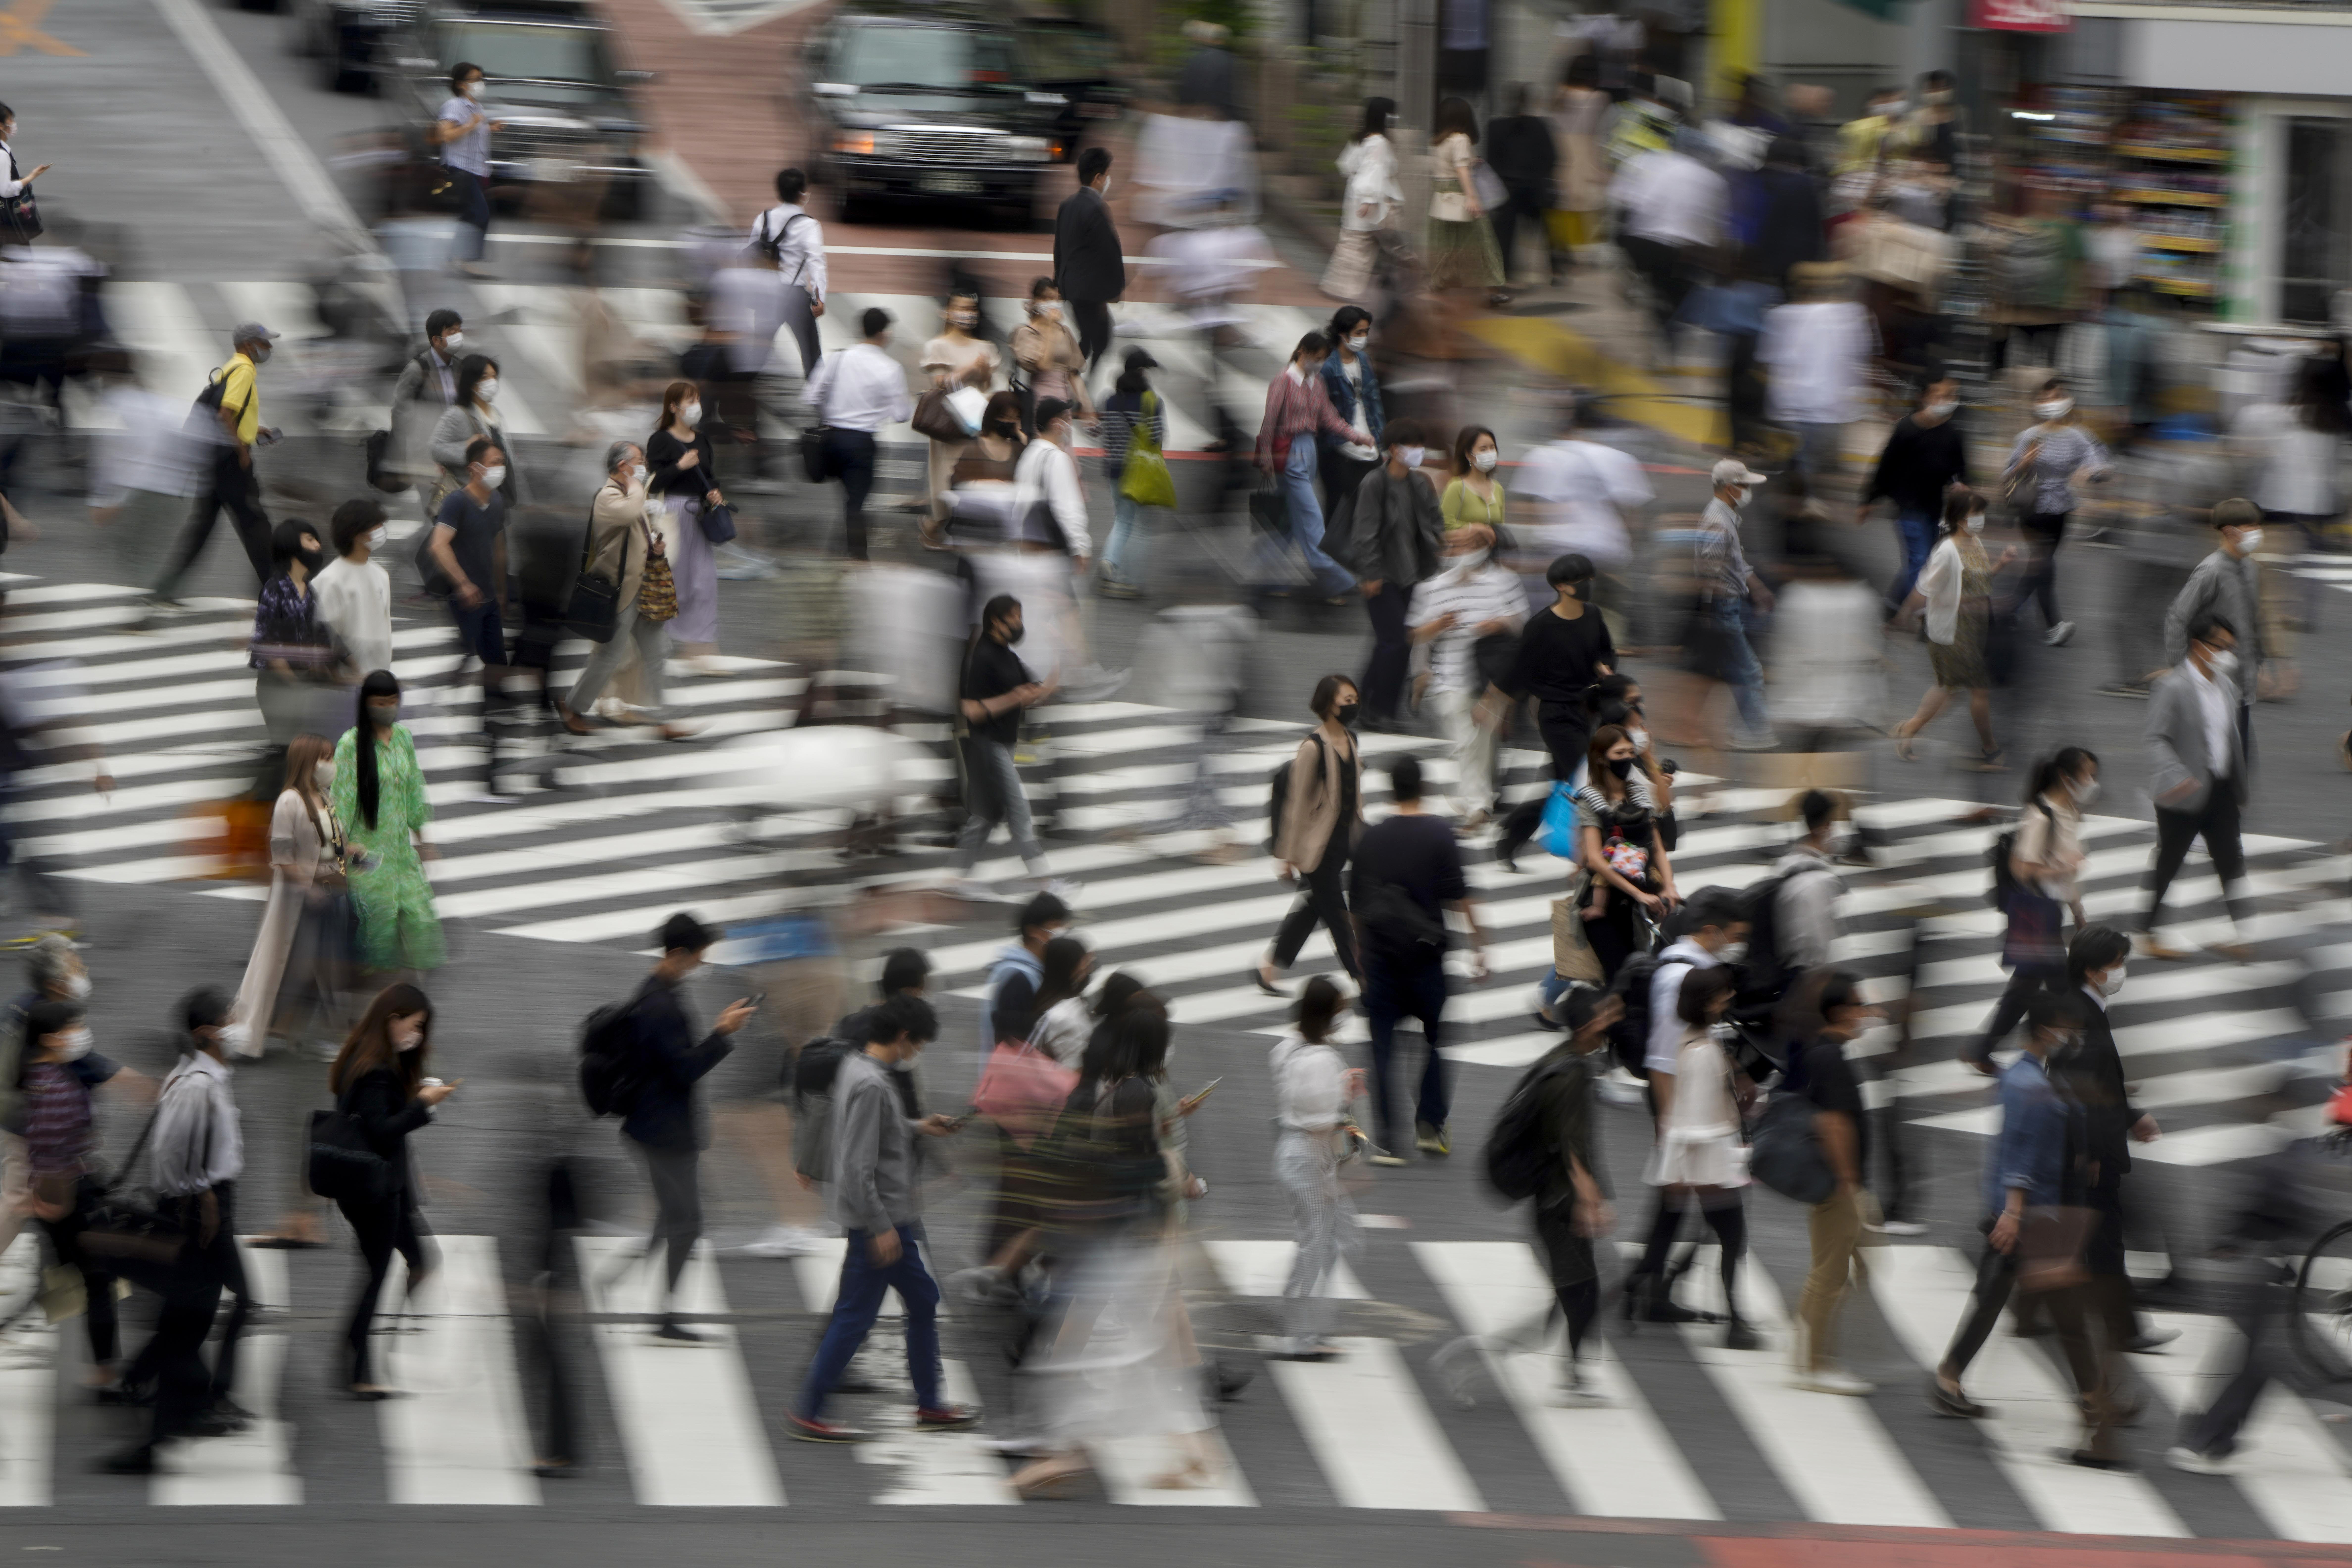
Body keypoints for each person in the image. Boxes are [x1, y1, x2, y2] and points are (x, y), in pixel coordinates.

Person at [1927, 990, 2121, 1468]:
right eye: (2064, 1029)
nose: (2069, 1038)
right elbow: (2019, 1156)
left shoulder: (2024, 1075)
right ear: (2045, 1029)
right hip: (2035, 1217)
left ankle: (1949, 1377)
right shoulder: (2028, 1085)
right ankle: (2096, 1411)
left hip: (2034, 1213)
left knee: (1997, 1294)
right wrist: (2012, 1215)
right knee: (2069, 1320)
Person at [789, 993, 972, 1441]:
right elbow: (856, 1166)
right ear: (904, 1037)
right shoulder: (872, 1083)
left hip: (884, 1219)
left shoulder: (858, 1065)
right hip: (883, 1221)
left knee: (918, 1302)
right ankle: (809, 1411)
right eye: (919, 1045)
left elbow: (872, 1133)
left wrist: (919, 1126)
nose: (917, 1054)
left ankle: (930, 1403)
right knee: (856, 1317)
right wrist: (881, 1228)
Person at [124, 988, 249, 1464]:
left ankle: (157, 1388)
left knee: (200, 1311)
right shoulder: (196, 1084)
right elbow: (169, 1154)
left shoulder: (211, 1076)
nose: (238, 1026)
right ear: (206, 1033)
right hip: (201, 1207)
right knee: (196, 1314)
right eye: (230, 1019)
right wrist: (203, 1193)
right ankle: (184, 1406)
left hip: (212, 1201)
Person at [616, 912, 755, 1342]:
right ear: (677, 954)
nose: (701, 966)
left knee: (673, 1214)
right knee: (688, 1221)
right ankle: (665, 1313)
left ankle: (619, 1279)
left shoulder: (656, 992)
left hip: (652, 1127)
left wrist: (717, 1030)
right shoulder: (661, 1005)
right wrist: (723, 1035)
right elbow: (682, 1070)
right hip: (664, 1133)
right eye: (698, 958)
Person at [1351, 756, 1486, 1161]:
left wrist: (1359, 955)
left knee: (1381, 1049)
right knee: (1434, 1041)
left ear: (1391, 789)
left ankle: (1387, 1140)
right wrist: (1480, 945)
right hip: (1426, 960)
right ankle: (1429, 1125)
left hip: (1381, 961)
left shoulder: (1370, 839)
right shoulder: (1439, 834)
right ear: (1422, 788)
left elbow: (1355, 906)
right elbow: (1460, 896)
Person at [1623, 885, 1747, 1320]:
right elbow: (1660, 1058)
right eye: (1730, 936)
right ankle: (1646, 1285)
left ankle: (1646, 1287)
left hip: (1691, 1111)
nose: (1733, 945)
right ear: (1710, 930)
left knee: (1674, 1205)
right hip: (1681, 1111)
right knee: (1702, 1208)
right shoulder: (1678, 978)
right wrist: (1667, 1128)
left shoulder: (1695, 969)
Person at [326, 984, 453, 1397]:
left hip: (372, 1186)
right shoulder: (377, 1070)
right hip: (376, 1191)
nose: (417, 1035)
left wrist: (413, 1095)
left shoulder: (360, 1055)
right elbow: (382, 1130)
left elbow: (370, 1117)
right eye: (415, 1026)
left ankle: (371, 1340)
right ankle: (359, 1365)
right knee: (379, 1272)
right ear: (393, 1020)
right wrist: (423, 1105)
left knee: (418, 1259)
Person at [2061, 923, 2172, 1364]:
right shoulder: (2080, 1016)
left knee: (2087, 1237)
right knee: (2104, 1241)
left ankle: (2026, 1307)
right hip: (2092, 1153)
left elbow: (2098, 1085)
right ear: (2092, 971)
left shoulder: (2089, 1007)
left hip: (2097, 1144)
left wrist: (2131, 1116)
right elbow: (2076, 1089)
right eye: (2116, 963)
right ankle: (2123, 1329)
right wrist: (2086, 1150)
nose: (2121, 971)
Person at [1633, 965, 1760, 1347]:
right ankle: (1736, 1323)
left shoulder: (1696, 1039)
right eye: (1723, 994)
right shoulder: (1703, 1051)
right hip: (1711, 1167)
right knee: (1732, 1240)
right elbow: (1692, 1119)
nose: (1729, 999)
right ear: (1708, 1002)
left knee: (1722, 1237)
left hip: (1705, 1165)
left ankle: (1652, 1288)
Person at [1964, 747, 2098, 1070]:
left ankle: (1982, 1051)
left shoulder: (2069, 812)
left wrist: (2078, 910)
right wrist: (2063, 870)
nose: (2092, 782)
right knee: (2065, 991)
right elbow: (2022, 869)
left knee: (2024, 989)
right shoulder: (2041, 816)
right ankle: (2088, 1066)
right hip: (2035, 915)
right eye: (2087, 775)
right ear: (2066, 778)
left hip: (2050, 914)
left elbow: (2064, 872)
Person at [18, 998, 123, 1396]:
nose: (79, 1034)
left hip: (61, 1190)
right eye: (71, 1028)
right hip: (69, 1195)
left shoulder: (41, 1075)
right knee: (97, 1280)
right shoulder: (57, 1087)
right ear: (49, 1039)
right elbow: (52, 1151)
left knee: (76, 1278)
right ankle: (105, 1372)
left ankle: (105, 1369)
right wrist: (56, 1202)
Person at [1494, 551, 1618, 870]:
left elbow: (1606, 651)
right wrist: (1494, 708)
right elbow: (1519, 671)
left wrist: (1605, 668)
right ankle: (1602, 853)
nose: (1589, 585)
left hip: (1585, 711)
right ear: (1562, 587)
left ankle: (1511, 837)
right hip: (1555, 714)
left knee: (1561, 782)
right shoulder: (1541, 626)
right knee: (1587, 778)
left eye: (1591, 579)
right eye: (1582, 581)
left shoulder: (1593, 615)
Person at [2140, 613, 2253, 962]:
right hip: (2182, 794)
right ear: (2198, 646)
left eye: (2232, 649)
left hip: (2220, 792)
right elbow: (2156, 739)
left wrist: (2239, 786)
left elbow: (2234, 741)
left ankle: (2241, 933)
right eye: (2221, 647)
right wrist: (2178, 775)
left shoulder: (2227, 687)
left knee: (2231, 861)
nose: (2227, 655)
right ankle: (2147, 930)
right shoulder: (2172, 687)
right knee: (2170, 862)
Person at [225, 735, 345, 1058]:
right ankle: (256, 1028)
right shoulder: (290, 801)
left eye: (331, 757)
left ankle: (291, 1029)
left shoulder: (326, 798)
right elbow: (281, 856)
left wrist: (351, 860)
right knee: (287, 964)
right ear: (307, 761)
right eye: (324, 758)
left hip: (325, 894)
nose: (330, 765)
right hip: (297, 899)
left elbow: (334, 848)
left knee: (315, 966)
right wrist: (308, 886)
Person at [1787, 970, 1877, 1395]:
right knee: (1830, 1272)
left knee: (1850, 1262)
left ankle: (1808, 1344)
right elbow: (1832, 1122)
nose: (1866, 1014)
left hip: (1836, 1182)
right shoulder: (1830, 1058)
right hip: (1836, 1184)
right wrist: (1848, 1181)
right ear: (1841, 1012)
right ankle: (1814, 1362)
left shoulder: (1823, 1052)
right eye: (1860, 1006)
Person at [560, 442, 684, 739]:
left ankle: (666, 720)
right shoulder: (608, 497)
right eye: (638, 462)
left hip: (641, 590)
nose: (644, 468)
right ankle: (573, 708)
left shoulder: (630, 496)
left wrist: (654, 548)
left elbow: (635, 535)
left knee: (657, 653)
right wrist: (637, 489)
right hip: (620, 593)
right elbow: (629, 515)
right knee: (608, 656)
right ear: (622, 467)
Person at [151, 323, 280, 606]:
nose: (269, 349)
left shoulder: (230, 367)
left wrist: (255, 429)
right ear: (249, 345)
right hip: (230, 462)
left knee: (202, 528)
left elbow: (226, 411)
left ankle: (164, 591)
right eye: (265, 343)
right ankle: (277, 592)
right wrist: (242, 451)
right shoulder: (245, 370)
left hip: (213, 461)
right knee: (256, 525)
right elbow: (225, 413)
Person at [947, 596, 1065, 899]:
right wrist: (1014, 698)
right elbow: (971, 710)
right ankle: (1043, 881)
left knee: (986, 816)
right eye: (1014, 617)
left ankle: (957, 880)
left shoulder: (1008, 657)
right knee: (1019, 810)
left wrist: (1059, 655)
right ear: (996, 621)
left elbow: (1036, 692)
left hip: (1005, 744)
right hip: (987, 744)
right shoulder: (982, 657)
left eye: (1020, 617)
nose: (1019, 623)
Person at [1270, 974, 1361, 1360]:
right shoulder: (1322, 1060)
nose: (1345, 1017)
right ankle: (1301, 1334)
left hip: (1294, 1151)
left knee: (1338, 1235)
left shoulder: (1287, 1049)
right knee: (1318, 1242)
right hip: (1311, 1157)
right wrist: (1333, 1177)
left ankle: (1312, 1326)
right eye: (1340, 1010)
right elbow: (1321, 1127)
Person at [1408, 523, 1523, 827]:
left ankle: (1477, 801)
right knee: (1466, 742)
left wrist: (1499, 625)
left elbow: (1522, 628)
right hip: (1449, 679)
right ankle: (1479, 805)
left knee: (1481, 743)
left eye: (1467, 544)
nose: (1458, 552)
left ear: (1484, 548)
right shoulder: (1432, 588)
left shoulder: (1502, 583)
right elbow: (1417, 636)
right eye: (1453, 545)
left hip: (1489, 681)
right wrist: (1438, 629)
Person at [331, 672, 444, 977]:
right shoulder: (351, 745)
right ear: (367, 705)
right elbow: (340, 803)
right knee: (377, 937)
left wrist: (425, 842)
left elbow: (414, 792)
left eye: (393, 702)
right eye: (381, 703)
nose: (388, 708)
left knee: (422, 921)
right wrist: (341, 852)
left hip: (401, 855)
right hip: (368, 858)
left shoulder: (403, 738)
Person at [1259, 674, 1364, 992]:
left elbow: (1354, 796)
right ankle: (1364, 980)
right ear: (1329, 704)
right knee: (1336, 915)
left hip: (1347, 837)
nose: (1354, 706)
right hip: (1317, 846)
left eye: (1355, 700)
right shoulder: (1312, 748)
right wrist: (1287, 856)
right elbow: (1296, 806)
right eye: (1347, 701)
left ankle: (1269, 968)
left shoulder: (1353, 740)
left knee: (1313, 906)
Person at [1893, 489, 2012, 769]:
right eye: (1976, 514)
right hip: (1951, 631)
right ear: (1960, 519)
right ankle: (1990, 748)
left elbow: (1979, 580)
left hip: (1973, 629)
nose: (1981, 519)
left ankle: (1910, 728)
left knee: (1949, 689)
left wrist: (2002, 565)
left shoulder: (1975, 543)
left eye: (1982, 513)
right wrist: (1903, 617)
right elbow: (1925, 589)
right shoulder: (1947, 551)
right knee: (1977, 691)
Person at [1511, 398, 1653, 632]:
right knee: (1600, 631)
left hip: (1558, 555)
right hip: (1605, 557)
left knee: (1552, 629)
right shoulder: (1620, 458)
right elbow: (1634, 519)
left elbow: (1523, 511)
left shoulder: (1543, 455)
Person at [1257, 332, 1378, 602]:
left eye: (1323, 360)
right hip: (1290, 454)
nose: (1320, 364)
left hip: (1308, 451)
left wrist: (1358, 437)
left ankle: (1267, 577)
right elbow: (1269, 421)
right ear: (1302, 352)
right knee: (1311, 519)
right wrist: (1265, 456)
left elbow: (1330, 418)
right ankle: (1335, 581)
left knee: (1286, 521)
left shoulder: (1317, 382)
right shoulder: (1283, 381)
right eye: (1317, 358)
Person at [2234, 355, 2346, 637]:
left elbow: (2249, 446)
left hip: (2277, 498)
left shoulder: (2277, 415)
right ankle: (2303, 612)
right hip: (2318, 501)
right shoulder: (2336, 418)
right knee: (2310, 557)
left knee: (2266, 556)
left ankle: (2260, 608)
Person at [1345, 418, 1444, 731]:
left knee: (1388, 642)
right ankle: (1382, 710)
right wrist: (1371, 573)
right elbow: (1365, 533)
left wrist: (1445, 545)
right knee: (1397, 642)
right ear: (1394, 450)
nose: (1419, 451)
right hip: (1382, 577)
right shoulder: (1375, 483)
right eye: (1412, 446)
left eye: (1420, 444)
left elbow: (1434, 522)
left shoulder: (1419, 484)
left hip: (1413, 576)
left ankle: (1358, 702)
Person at [430, 435, 517, 788]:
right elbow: (439, 546)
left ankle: (490, 734)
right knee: (470, 657)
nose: (500, 469)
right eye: (494, 462)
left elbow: (499, 546)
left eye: (501, 462)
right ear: (475, 468)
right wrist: (463, 584)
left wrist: (501, 588)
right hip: (463, 599)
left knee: (496, 667)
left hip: (490, 601)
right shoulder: (457, 502)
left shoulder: (496, 501)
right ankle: (437, 703)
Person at [2002, 375, 2113, 648]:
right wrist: (2024, 465)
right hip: (2032, 506)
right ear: (2037, 404)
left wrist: (2092, 472)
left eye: (2057, 397)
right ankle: (2054, 626)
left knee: (2042, 564)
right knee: (2044, 564)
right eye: (2046, 399)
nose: (2052, 403)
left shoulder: (2077, 436)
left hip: (2062, 507)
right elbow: (2008, 474)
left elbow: (2099, 460)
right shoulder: (2029, 436)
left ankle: (2008, 610)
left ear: (2067, 400)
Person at [1758, 264, 1873, 504]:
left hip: (1789, 404)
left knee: (1799, 460)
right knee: (1811, 462)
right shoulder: (1853, 315)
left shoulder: (1780, 315)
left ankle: (1796, 496)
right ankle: (1803, 498)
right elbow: (1860, 360)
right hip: (1829, 407)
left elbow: (1767, 361)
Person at [1858, 370, 1969, 614]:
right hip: (1908, 507)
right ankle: (1918, 612)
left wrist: (1960, 484)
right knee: (1921, 560)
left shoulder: (1954, 435)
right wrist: (1869, 500)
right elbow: (1885, 465)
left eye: (1951, 395)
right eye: (1939, 395)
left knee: (1925, 560)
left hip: (1934, 508)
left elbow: (1960, 469)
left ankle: (1894, 604)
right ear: (1926, 397)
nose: (1945, 400)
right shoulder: (1907, 428)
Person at [804, 307, 910, 561]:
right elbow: (901, 414)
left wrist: (830, 411)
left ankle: (843, 551)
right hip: (862, 443)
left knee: (848, 499)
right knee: (856, 502)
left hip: (832, 439)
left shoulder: (837, 359)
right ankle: (858, 558)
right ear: (885, 334)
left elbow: (811, 396)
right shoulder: (890, 368)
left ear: (861, 329)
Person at [1572, 726, 1679, 978]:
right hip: (1606, 900)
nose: (1627, 758)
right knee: (1619, 977)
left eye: (1631, 752)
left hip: (1639, 895)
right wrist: (1638, 895)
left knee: (1639, 971)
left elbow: (1658, 848)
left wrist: (1669, 887)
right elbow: (1596, 860)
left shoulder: (1640, 795)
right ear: (1601, 758)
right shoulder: (1591, 799)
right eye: (1619, 753)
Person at [2162, 497, 2266, 753]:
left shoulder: (2251, 568)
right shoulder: (2211, 571)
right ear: (2231, 532)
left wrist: (2258, 658)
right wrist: (2181, 670)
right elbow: (2178, 616)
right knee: (2213, 760)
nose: (2258, 533)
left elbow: (2253, 618)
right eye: (2251, 527)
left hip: (2241, 682)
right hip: (2213, 680)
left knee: (2238, 761)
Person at [1690, 457, 1778, 750]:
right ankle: (1756, 732)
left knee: (1732, 670)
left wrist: (1759, 589)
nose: (1748, 491)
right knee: (1748, 670)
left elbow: (1736, 565)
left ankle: (1742, 729)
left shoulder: (1726, 516)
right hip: (1723, 607)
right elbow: (1709, 573)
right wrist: (1711, 614)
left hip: (1728, 605)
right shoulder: (1718, 522)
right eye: (1744, 485)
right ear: (1730, 489)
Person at [1614, 129, 1727, 354]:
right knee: (1679, 287)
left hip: (1638, 241)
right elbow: (1716, 226)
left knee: (1658, 276)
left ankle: (1637, 277)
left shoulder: (1646, 161)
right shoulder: (1713, 180)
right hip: (1682, 249)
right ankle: (1668, 328)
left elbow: (1623, 200)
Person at [248, 517, 337, 802]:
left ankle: (283, 801)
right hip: (278, 684)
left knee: (297, 751)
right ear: (292, 545)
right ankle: (268, 798)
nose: (317, 545)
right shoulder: (275, 589)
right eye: (310, 539)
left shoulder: (310, 593)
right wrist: (293, 682)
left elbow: (320, 638)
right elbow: (266, 642)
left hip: (301, 682)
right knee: (289, 749)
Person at [646, 380, 726, 675]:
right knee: (676, 583)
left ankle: (702, 650)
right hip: (673, 514)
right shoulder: (661, 440)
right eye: (689, 401)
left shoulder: (702, 440)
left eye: (697, 400)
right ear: (673, 407)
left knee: (704, 582)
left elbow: (710, 475)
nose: (696, 406)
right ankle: (667, 645)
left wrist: (715, 492)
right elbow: (652, 483)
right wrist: (679, 466)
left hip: (699, 513)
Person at [920, 290, 1001, 535]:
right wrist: (970, 370)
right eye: (962, 309)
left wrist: (984, 372)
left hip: (976, 420)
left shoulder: (985, 347)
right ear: (949, 312)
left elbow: (987, 386)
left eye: (971, 310)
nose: (967, 315)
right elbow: (940, 384)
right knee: (946, 475)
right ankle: (935, 524)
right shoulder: (938, 346)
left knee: (973, 473)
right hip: (949, 420)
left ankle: (960, 525)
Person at [1096, 349, 1164, 597]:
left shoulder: (1110, 400)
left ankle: (1110, 560)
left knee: (1123, 520)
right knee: (1142, 529)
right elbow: (1157, 439)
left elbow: (1102, 433)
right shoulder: (1152, 402)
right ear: (1143, 373)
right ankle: (1130, 579)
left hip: (1115, 469)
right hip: (1141, 471)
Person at [746, 167, 825, 376]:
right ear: (802, 194)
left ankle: (741, 394)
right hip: (795, 295)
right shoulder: (809, 225)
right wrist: (820, 298)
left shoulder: (763, 218)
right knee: (812, 355)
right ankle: (820, 401)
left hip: (766, 293)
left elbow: (751, 254)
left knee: (759, 351)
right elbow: (817, 263)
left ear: (778, 192)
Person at [1426, 97, 1506, 298]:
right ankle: (1492, 291)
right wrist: (1472, 197)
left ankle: (1440, 286)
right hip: (1460, 193)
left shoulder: (1437, 141)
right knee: (1482, 243)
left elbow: (1444, 169)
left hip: (1442, 198)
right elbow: (1461, 171)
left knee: (1447, 244)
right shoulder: (1461, 139)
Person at [1053, 146, 1124, 370]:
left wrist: (1059, 284)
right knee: (1100, 341)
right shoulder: (1097, 209)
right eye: (1107, 175)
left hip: (1071, 287)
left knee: (1089, 338)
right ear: (1099, 178)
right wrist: (1113, 292)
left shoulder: (1067, 205)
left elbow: (1059, 249)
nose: (1108, 181)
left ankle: (1074, 384)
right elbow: (1109, 254)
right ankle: (1076, 386)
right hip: (1091, 292)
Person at [1323, 98, 1401, 300]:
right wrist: (1368, 199)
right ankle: (1351, 290)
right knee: (1365, 247)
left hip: (1354, 197)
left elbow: (1346, 166)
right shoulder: (1380, 144)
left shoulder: (1360, 139)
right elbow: (1374, 172)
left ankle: (1337, 286)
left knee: (1351, 243)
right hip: (1373, 202)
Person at [980, 890, 1074, 1056]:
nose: (1063, 934)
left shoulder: (1035, 971)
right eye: (1056, 926)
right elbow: (1013, 1042)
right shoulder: (1018, 979)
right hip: (1017, 1078)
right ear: (1034, 931)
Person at [312, 498, 393, 681]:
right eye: (377, 525)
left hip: (379, 678)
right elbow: (322, 637)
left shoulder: (381, 575)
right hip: (345, 683)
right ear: (358, 534)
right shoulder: (329, 581)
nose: (383, 530)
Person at [427, 353, 515, 519]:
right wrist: (468, 448)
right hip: (469, 499)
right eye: (485, 377)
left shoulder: (495, 414)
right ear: (471, 382)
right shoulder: (458, 414)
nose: (492, 382)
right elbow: (435, 449)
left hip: (496, 496)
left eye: (494, 377)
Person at [1487, 84, 1559, 287]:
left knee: (1504, 232)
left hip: (1507, 188)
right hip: (1535, 187)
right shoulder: (1541, 126)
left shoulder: (1496, 126)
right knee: (1548, 230)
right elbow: (1552, 157)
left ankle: (1504, 272)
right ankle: (1555, 269)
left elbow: (1493, 159)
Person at [433, 62, 502, 275]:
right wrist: (471, 125)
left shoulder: (476, 108)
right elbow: (445, 135)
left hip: (476, 169)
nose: (480, 84)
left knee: (470, 214)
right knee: (480, 213)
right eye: (475, 80)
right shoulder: (454, 106)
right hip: (459, 169)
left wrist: (490, 127)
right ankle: (466, 260)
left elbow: (472, 135)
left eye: (482, 79)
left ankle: (458, 257)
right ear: (462, 84)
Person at [1769, 789, 1846, 975]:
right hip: (1804, 978)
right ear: (1825, 828)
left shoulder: (1784, 865)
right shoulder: (1817, 882)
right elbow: (1813, 944)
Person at [1546, 57, 1609, 278]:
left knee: (1561, 201)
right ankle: (1580, 253)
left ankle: (1560, 249)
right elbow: (1598, 133)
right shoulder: (1599, 98)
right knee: (1586, 203)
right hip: (1585, 149)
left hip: (1558, 148)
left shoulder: (1558, 95)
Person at [1010, 276, 1091, 439]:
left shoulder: (1065, 332)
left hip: (1063, 400)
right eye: (1048, 298)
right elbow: (1043, 365)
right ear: (1037, 301)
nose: (1054, 303)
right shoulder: (1026, 332)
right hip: (1041, 399)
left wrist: (1088, 407)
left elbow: (1074, 373)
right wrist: (1049, 329)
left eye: (1057, 298)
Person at [389, 309, 466, 411]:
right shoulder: (418, 369)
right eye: (453, 333)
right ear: (436, 340)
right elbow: (401, 409)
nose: (459, 337)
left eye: (460, 332)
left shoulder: (460, 368)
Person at [1441, 426, 1505, 533]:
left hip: (1492, 550)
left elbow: (1501, 527)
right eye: (1483, 449)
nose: (1490, 453)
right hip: (1464, 549)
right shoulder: (1457, 487)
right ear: (1469, 455)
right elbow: (1444, 524)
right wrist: (1475, 529)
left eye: (1492, 448)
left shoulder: (1498, 489)